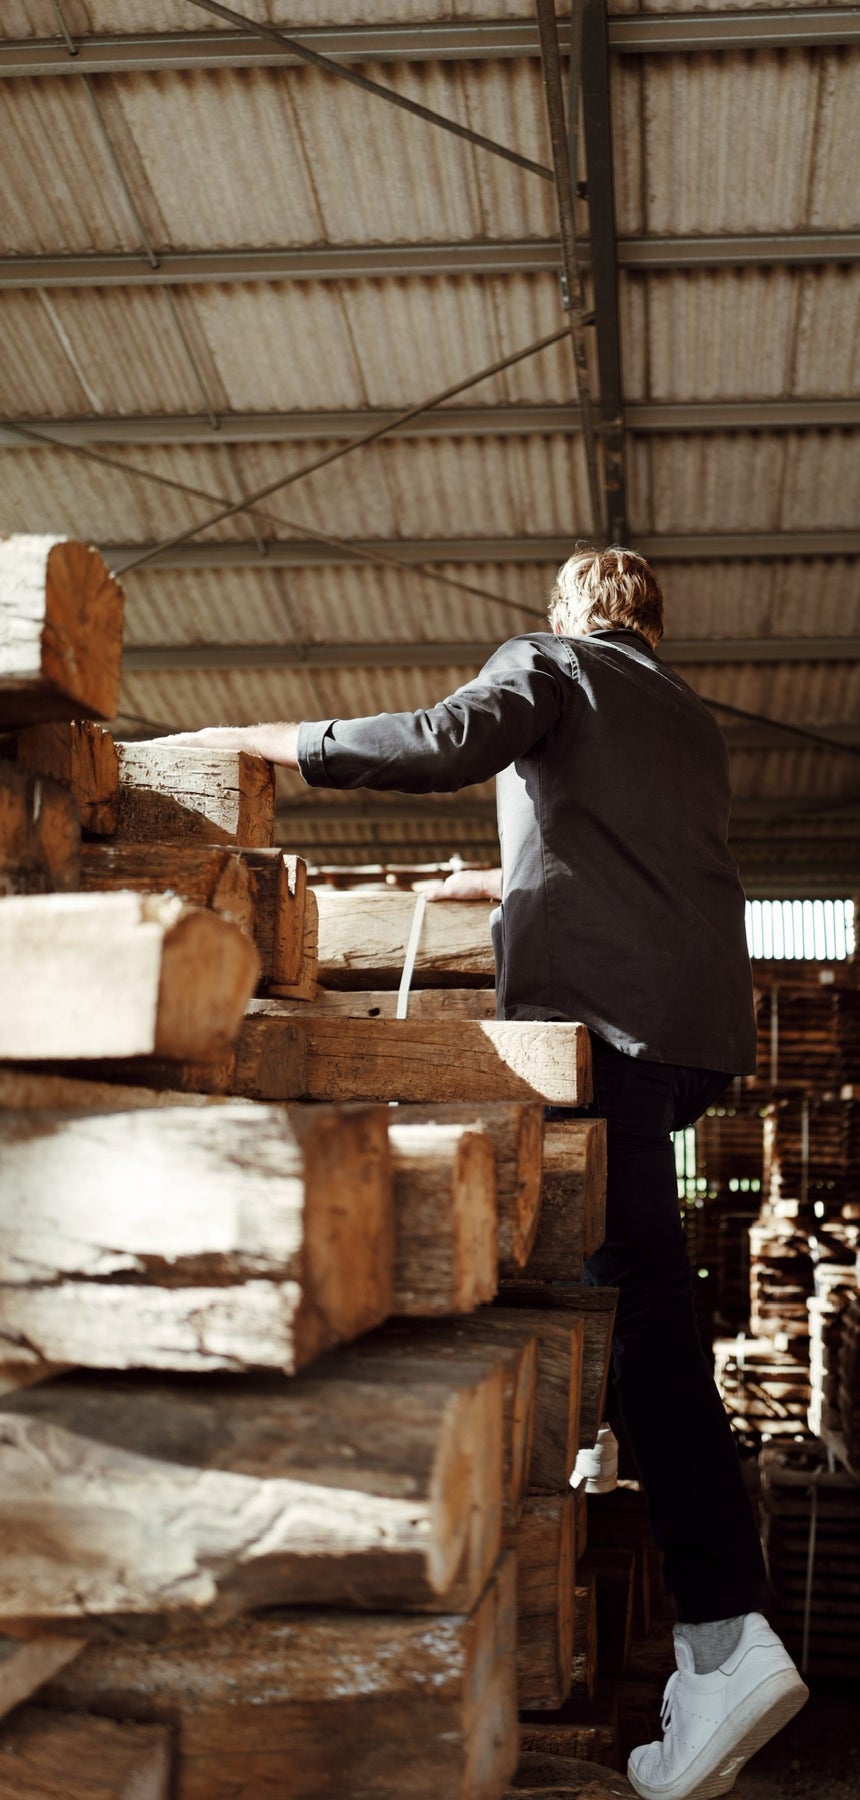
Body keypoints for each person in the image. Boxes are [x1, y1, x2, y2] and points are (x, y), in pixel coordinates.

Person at [158, 546, 808, 1799]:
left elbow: (446, 737)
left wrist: (270, 739)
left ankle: (724, 1631)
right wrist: (487, 886)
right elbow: (620, 851)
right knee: (628, 1281)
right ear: (654, 626)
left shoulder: (549, 662)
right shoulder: (685, 719)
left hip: (602, 1026)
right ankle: (697, 1598)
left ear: (565, 618)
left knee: (639, 1306)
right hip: (685, 1034)